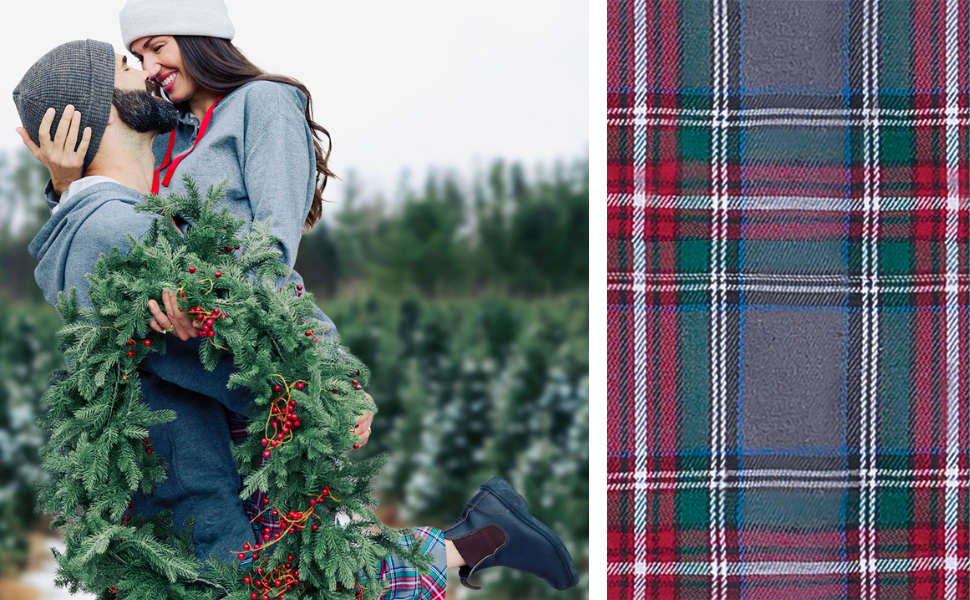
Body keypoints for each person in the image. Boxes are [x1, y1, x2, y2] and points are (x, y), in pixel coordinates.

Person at [15, 39, 579, 596]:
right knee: (333, 579)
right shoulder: (116, 230)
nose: (144, 71)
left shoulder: (118, 217)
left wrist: (66, 187)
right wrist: (327, 393)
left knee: (334, 576)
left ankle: (487, 535)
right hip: (197, 515)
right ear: (92, 114)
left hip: (201, 498)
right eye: (125, 65)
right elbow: (237, 341)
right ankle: (485, 535)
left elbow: (241, 292)